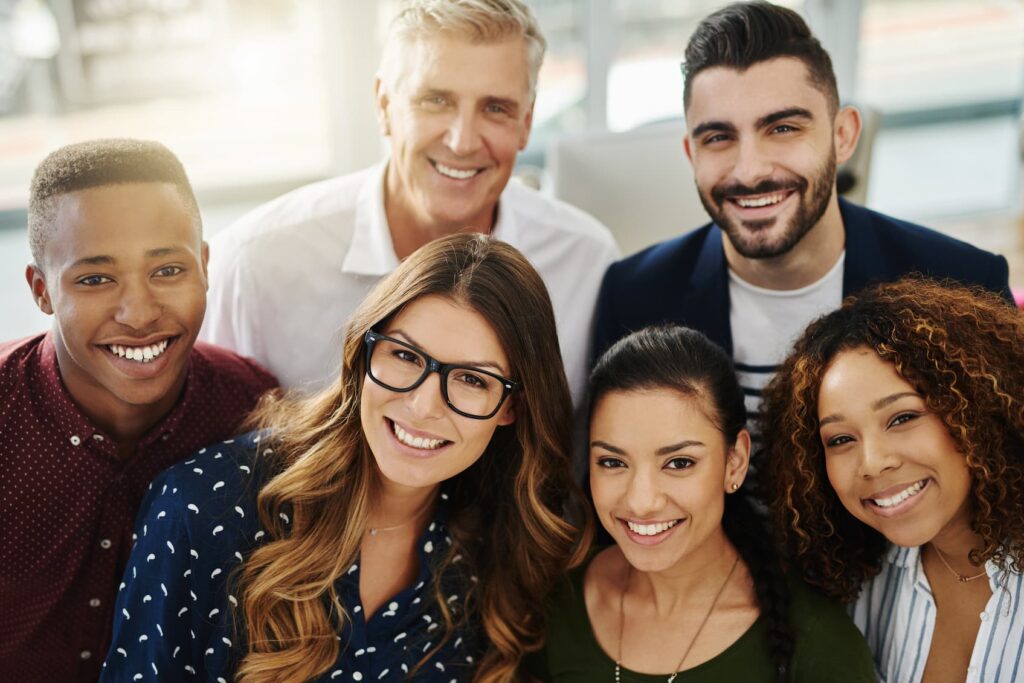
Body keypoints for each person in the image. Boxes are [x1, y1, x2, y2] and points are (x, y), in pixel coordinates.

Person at [101, 233, 590, 682]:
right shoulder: (202, 508)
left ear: (510, 407)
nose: (423, 406)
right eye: (405, 356)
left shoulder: (499, 548)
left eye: (471, 380)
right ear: (363, 352)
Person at [592, 1, 1010, 435]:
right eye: (718, 137)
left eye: (783, 128)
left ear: (843, 136)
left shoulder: (963, 285)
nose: (750, 171)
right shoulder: (633, 297)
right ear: (691, 153)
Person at [201, 0, 618, 405]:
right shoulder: (255, 266)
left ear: (526, 123)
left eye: (495, 108)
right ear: (384, 105)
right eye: (435, 101)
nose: (462, 142)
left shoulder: (584, 263)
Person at [0, 139, 278, 682]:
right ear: (41, 290)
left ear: (204, 266)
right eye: (95, 279)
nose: (139, 314)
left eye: (168, 270)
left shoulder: (253, 410)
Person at [529, 325, 875, 682]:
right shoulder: (556, 602)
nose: (642, 502)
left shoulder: (819, 643)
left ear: (735, 461)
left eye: (679, 463)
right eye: (613, 462)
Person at [761, 277, 1024, 682]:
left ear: (977, 412)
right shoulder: (856, 587)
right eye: (840, 439)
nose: (872, 463)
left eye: (902, 418)